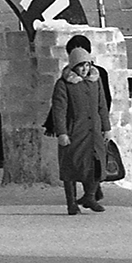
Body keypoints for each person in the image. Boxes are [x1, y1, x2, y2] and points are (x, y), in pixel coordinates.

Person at [52, 36, 111, 215]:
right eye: (81, 66)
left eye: (87, 65)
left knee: (96, 163)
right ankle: (71, 202)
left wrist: (106, 127)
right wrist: (62, 132)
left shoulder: (95, 81)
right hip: (74, 131)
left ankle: (90, 196)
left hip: (93, 132)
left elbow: (102, 105)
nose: (85, 69)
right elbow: (59, 110)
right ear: (73, 66)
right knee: (70, 166)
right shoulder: (63, 84)